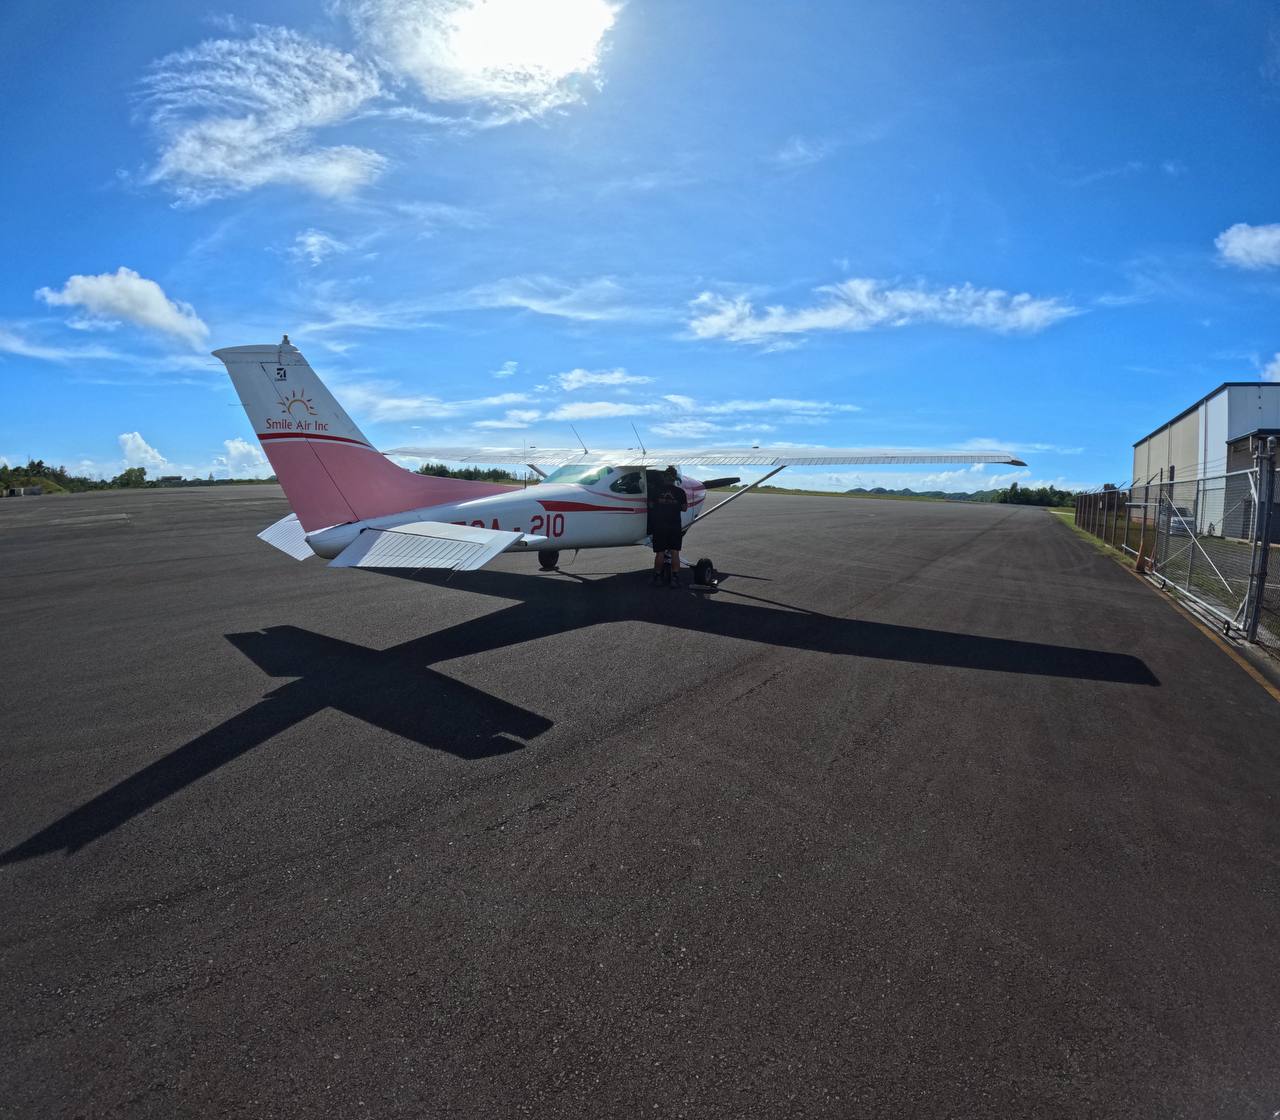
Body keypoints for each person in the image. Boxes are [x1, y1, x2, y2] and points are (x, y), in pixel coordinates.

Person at [650, 465, 688, 587]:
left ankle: (657, 577)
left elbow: (651, 505)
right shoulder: (680, 492)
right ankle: (675, 579)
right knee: (675, 552)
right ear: (674, 478)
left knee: (660, 552)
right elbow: (684, 508)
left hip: (659, 525)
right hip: (674, 526)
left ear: (664, 477)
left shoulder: (655, 490)